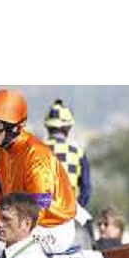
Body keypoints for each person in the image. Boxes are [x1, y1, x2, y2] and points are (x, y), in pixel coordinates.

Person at [0, 89, 77, 255]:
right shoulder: (4, 152)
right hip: (24, 222)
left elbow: (38, 207)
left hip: (52, 230)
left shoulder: (37, 157)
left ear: (16, 128)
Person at [43, 99, 94, 240]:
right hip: (68, 210)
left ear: (47, 127)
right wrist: (77, 207)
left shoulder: (34, 149)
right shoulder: (78, 152)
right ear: (68, 128)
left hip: (39, 210)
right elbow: (86, 189)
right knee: (90, 239)